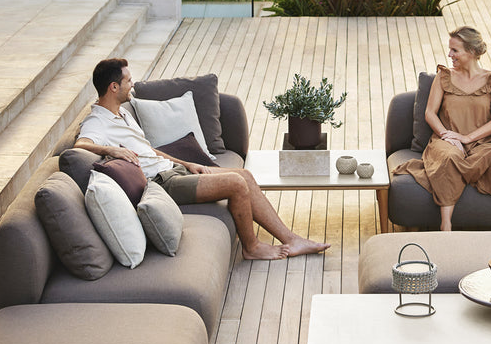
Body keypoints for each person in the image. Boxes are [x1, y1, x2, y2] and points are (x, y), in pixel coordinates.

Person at [75, 58, 329, 260]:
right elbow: (81, 144)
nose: (133, 84)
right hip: (160, 183)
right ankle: (251, 247)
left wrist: (187, 163)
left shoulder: (122, 114)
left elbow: (150, 151)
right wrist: (112, 151)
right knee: (236, 184)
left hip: (173, 170)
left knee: (245, 176)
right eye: (129, 80)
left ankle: (291, 239)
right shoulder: (98, 121)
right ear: (114, 87)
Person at [393, 26, 491, 230]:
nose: (450, 54)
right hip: (445, 141)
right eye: (450, 50)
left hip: (480, 144)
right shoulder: (444, 76)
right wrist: (447, 137)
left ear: (472, 52)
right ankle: (446, 224)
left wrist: (467, 138)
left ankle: (448, 174)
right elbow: (430, 113)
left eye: (455, 50)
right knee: (450, 157)